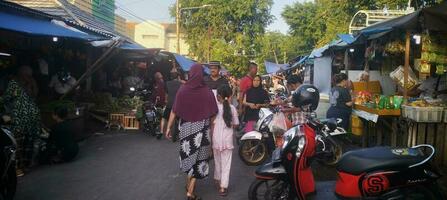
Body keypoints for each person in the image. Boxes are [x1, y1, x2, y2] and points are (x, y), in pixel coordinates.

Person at [165, 64, 218, 200]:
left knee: (189, 157)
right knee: (199, 160)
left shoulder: (183, 90)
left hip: (186, 131)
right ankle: (190, 193)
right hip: (203, 132)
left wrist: (168, 127)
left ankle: (189, 186)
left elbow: (174, 110)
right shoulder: (207, 92)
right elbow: (213, 116)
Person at [2, 65, 41, 176]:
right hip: (29, 117)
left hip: (23, 117)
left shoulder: (17, 83)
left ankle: (21, 167)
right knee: (25, 142)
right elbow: (34, 95)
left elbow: (6, 98)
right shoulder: (25, 82)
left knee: (21, 143)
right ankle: (23, 166)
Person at [212, 85, 239, 197]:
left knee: (217, 161)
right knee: (226, 164)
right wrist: (231, 124)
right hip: (227, 141)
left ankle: (218, 179)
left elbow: (212, 124)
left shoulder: (215, 108)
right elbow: (236, 124)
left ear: (218, 96)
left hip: (216, 140)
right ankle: (223, 187)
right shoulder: (232, 108)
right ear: (230, 96)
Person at [162, 70, 183, 142]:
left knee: (165, 118)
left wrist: (166, 100)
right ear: (178, 76)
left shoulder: (167, 83)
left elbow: (166, 94)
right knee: (181, 119)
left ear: (171, 76)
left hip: (170, 103)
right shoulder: (181, 84)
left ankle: (164, 131)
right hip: (179, 104)